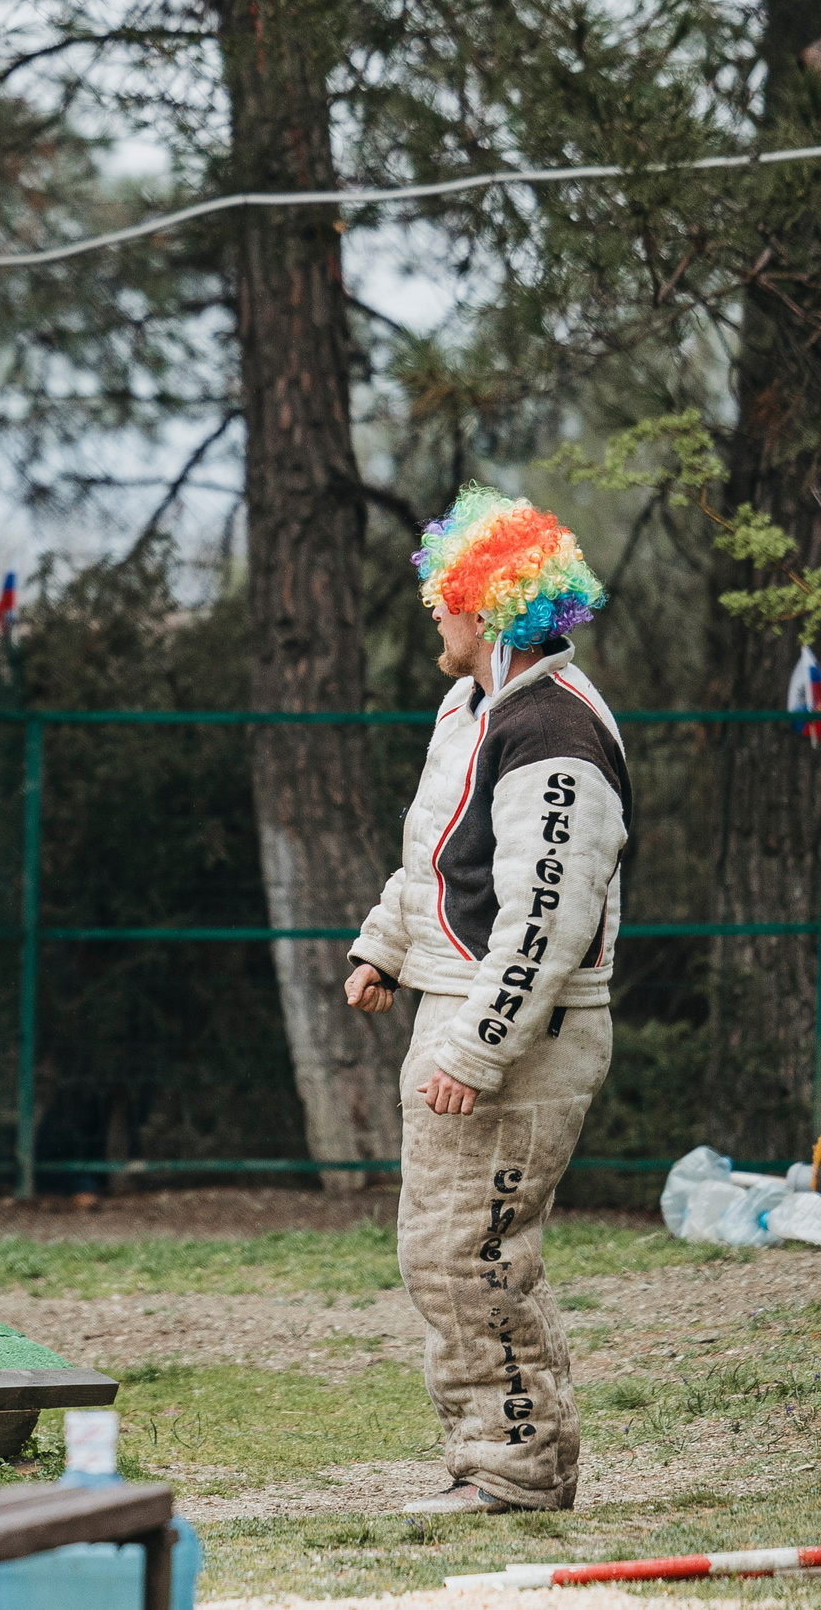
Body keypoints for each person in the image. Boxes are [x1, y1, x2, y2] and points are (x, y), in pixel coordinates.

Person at [343, 485, 627, 1516]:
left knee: (474, 1256)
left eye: (445, 594)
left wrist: (473, 1050)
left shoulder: (552, 733)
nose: (432, 611)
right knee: (446, 1252)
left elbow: (544, 923)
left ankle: (515, 1468)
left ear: (491, 607)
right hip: (459, 1007)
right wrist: (385, 944)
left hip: (518, 1036)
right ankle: (506, 1461)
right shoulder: (473, 708)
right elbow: (433, 850)